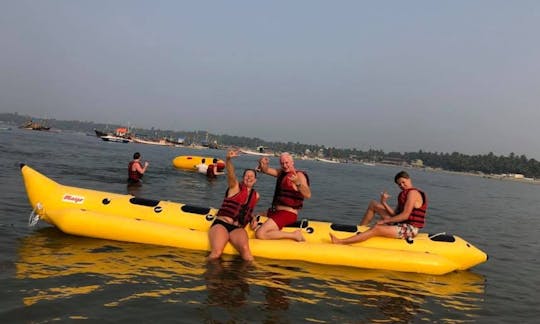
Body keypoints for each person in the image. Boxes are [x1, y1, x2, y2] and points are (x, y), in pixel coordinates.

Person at [330, 171, 427, 244]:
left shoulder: (413, 193)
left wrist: (384, 221)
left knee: (377, 228)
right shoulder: (404, 194)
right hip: (401, 224)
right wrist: (383, 202)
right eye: (399, 184)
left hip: (410, 229)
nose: (401, 185)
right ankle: (360, 230)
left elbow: (405, 216)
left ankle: (341, 242)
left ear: (409, 179)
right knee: (374, 204)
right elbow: (394, 214)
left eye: (403, 182)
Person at [207, 150, 259, 261]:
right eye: (246, 176)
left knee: (247, 254)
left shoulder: (256, 195)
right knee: (217, 253)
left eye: (251, 176)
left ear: (255, 180)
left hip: (237, 229)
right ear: (243, 178)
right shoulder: (235, 187)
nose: (249, 178)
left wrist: (253, 219)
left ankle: (247, 277)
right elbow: (231, 174)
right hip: (222, 224)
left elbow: (248, 210)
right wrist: (228, 160)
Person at [255, 152, 310, 242]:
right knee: (255, 216)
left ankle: (294, 235)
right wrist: (263, 163)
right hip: (275, 212)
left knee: (260, 233)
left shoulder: (299, 175)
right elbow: (266, 170)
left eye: (287, 163)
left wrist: (297, 183)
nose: (284, 165)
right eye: (282, 163)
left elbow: (308, 194)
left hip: (288, 214)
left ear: (292, 162)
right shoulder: (282, 173)